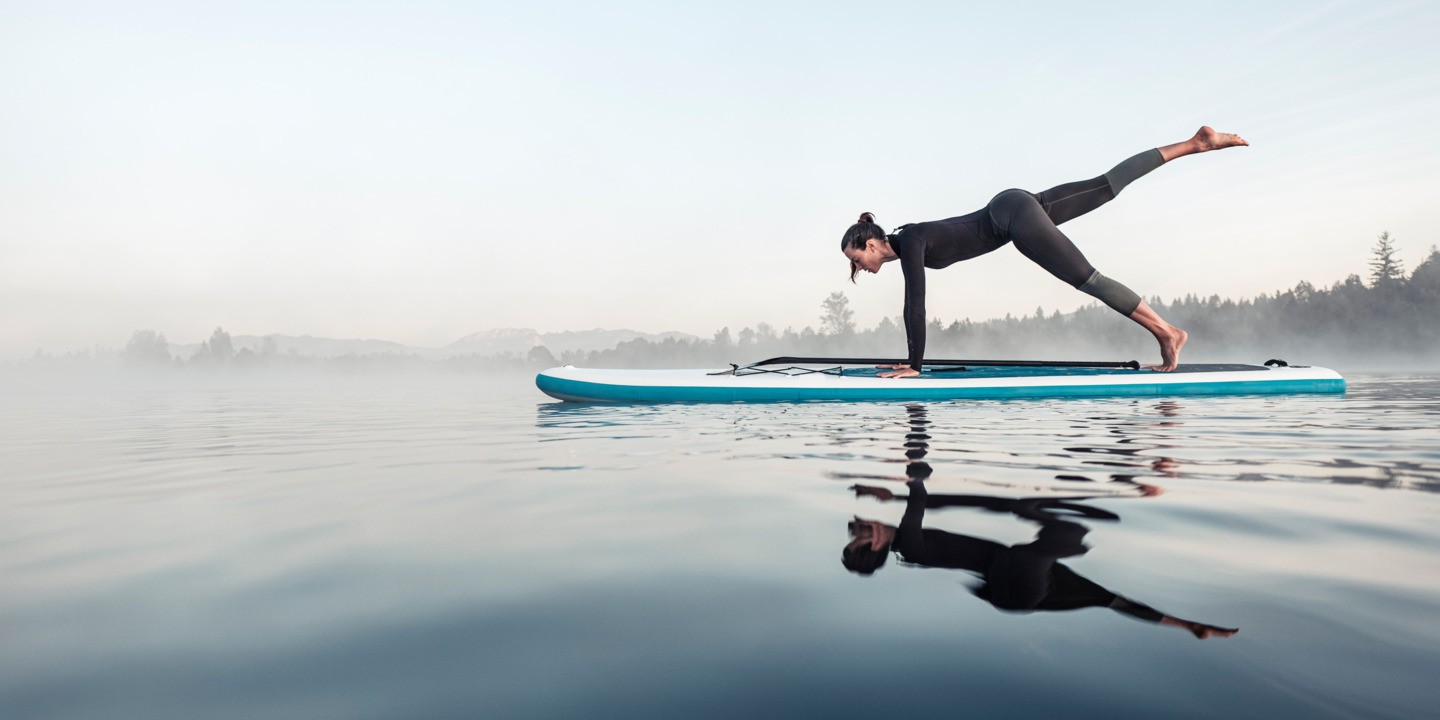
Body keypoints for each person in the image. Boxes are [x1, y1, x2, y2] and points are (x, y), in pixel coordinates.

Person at [840, 126, 1249, 376]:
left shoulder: (908, 242)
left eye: (858, 260)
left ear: (871, 243)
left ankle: (1168, 332)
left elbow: (916, 304)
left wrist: (915, 365)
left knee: (1088, 279)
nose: (861, 268)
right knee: (1106, 185)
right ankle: (1198, 142)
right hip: (1013, 204)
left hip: (1011, 219)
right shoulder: (906, 233)